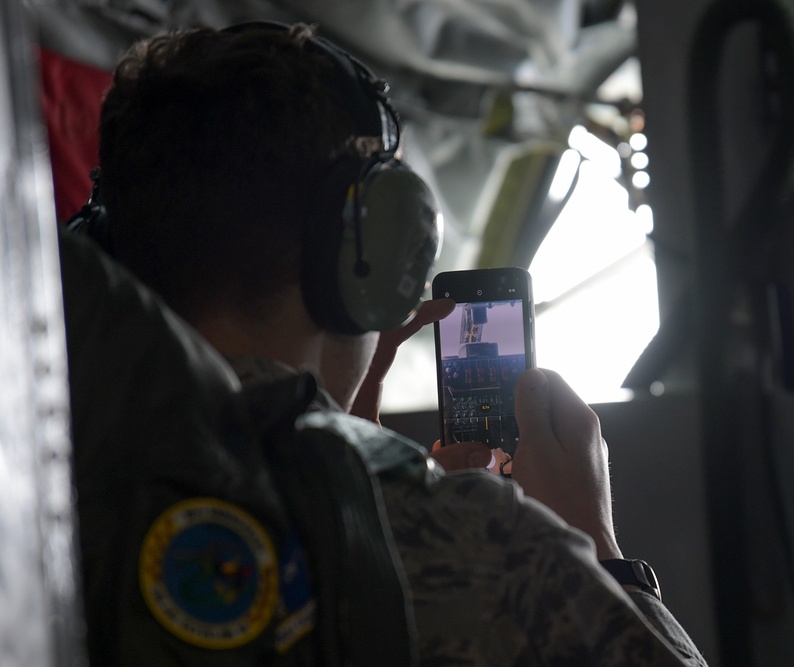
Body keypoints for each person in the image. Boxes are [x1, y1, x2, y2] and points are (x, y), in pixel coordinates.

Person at [73, 20, 708, 665]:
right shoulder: (485, 545)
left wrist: (340, 440)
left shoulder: (51, 467)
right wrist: (593, 542)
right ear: (367, 259)